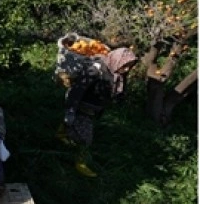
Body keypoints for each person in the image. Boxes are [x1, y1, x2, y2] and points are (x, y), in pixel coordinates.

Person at [57, 39, 139, 177]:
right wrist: (70, 109)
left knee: (77, 129)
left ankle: (61, 134)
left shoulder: (117, 73)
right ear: (117, 60)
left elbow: (116, 92)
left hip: (94, 108)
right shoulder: (96, 69)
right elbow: (78, 89)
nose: (126, 69)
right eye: (125, 66)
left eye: (128, 66)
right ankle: (80, 163)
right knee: (85, 139)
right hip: (82, 106)